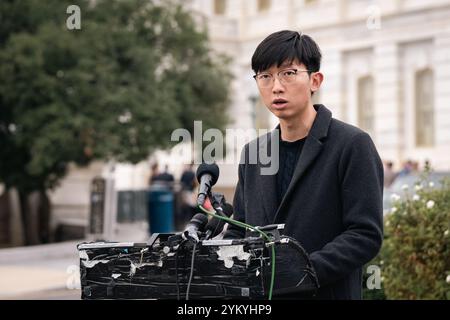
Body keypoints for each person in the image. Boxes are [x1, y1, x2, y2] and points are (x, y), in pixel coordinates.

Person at [223, 30, 384, 300]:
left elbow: (364, 234)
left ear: (315, 80)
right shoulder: (253, 153)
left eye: (288, 73)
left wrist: (301, 273)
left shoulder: (352, 144)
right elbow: (240, 229)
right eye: (265, 76)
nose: (276, 86)